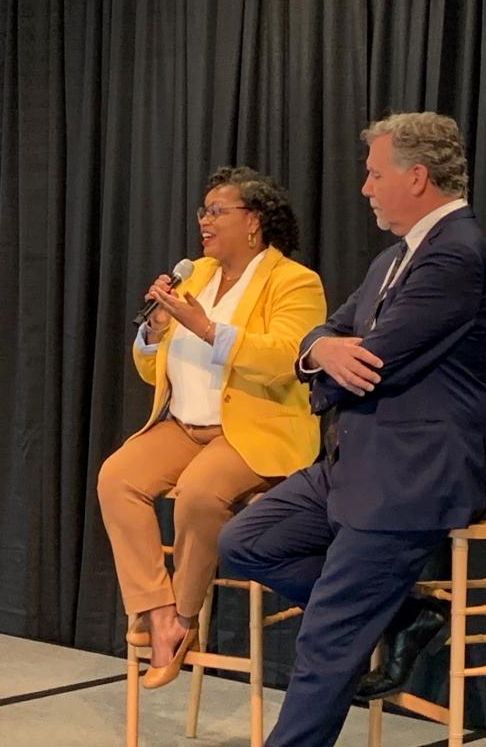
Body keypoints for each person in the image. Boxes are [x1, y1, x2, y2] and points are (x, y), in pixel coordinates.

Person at [218, 113, 486, 746]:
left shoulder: (459, 254)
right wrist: (323, 352)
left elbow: (375, 361)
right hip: (354, 463)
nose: (365, 188)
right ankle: (405, 613)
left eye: (376, 174)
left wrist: (328, 358)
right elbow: (323, 334)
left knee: (329, 629)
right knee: (245, 541)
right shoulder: (392, 259)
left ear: (417, 176)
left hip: (412, 474)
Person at [98, 166, 326, 690]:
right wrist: (155, 329)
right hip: (182, 425)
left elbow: (286, 359)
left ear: (254, 222)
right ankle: (157, 611)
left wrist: (204, 326)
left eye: (217, 210)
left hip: (251, 430)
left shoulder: (294, 281)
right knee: (117, 478)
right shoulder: (195, 273)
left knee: (199, 493)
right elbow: (154, 368)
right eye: (203, 211)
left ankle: (184, 618)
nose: (204, 220)